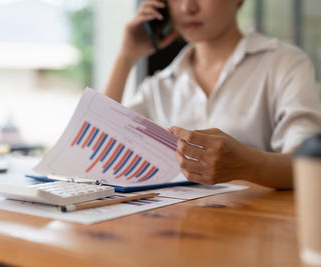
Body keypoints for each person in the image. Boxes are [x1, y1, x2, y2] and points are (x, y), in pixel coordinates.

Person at [104, 0, 321, 189]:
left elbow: (310, 166)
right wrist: (126, 56)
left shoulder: (285, 64)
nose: (187, 7)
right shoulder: (159, 86)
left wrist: (247, 165)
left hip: (259, 226)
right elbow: (102, 142)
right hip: (177, 227)